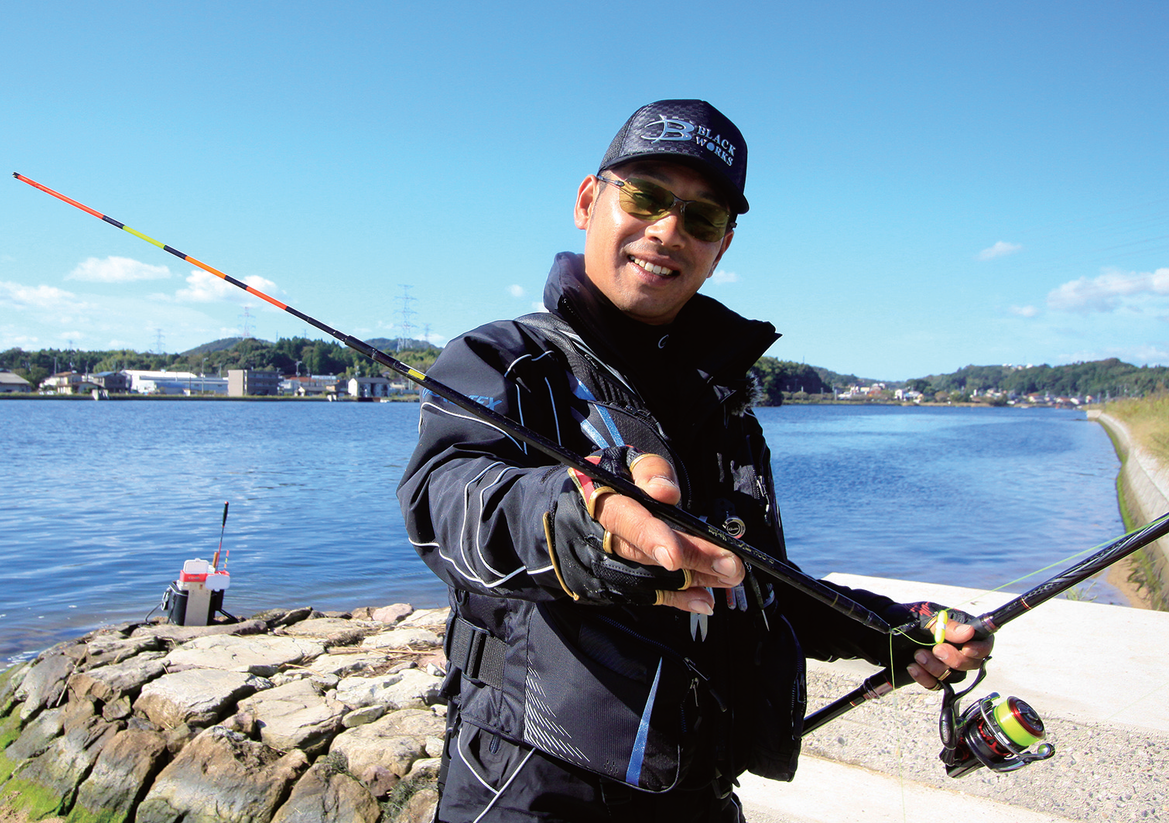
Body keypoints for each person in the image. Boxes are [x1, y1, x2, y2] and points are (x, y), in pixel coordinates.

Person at [398, 99, 991, 822]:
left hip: (701, 791)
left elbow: (758, 584)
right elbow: (446, 500)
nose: (667, 230)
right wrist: (583, 522)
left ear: (723, 246)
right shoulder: (502, 360)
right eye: (645, 197)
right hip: (528, 788)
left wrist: (888, 629)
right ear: (588, 202)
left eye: (702, 217)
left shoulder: (725, 406)